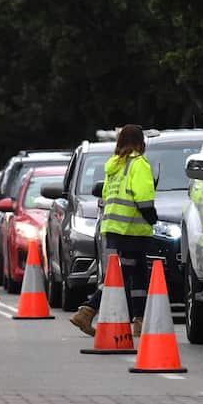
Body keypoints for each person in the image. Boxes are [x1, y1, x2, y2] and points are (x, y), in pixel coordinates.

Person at [71, 124, 157, 338]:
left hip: (115, 228)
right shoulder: (139, 165)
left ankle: (139, 320)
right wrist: (153, 219)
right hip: (132, 230)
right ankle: (87, 310)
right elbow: (143, 199)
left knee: (138, 274)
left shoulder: (115, 166)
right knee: (124, 274)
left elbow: (108, 195)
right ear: (141, 143)